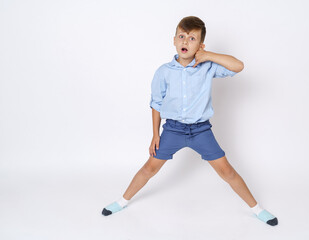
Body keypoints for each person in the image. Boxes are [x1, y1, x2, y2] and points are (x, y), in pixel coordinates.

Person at [102, 16, 278, 226]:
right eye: (182, 36)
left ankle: (257, 209)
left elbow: (238, 66)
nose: (185, 42)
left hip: (201, 131)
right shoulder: (164, 72)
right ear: (174, 40)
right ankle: (122, 201)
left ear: (200, 45)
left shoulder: (208, 66)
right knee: (150, 168)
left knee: (227, 171)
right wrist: (155, 134)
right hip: (173, 131)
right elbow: (156, 103)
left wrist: (208, 55)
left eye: (192, 38)